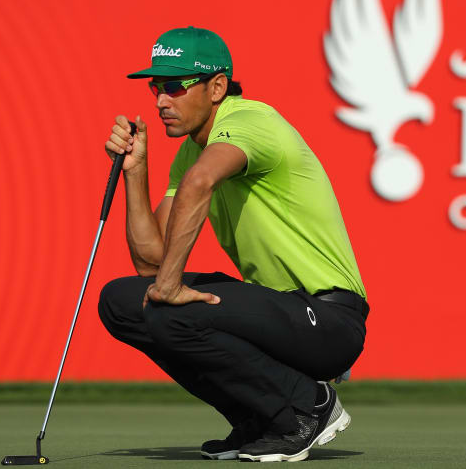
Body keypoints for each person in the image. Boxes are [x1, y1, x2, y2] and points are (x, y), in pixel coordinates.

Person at [96, 26, 368, 463]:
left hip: (330, 320)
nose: (161, 100)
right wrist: (136, 170)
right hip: (277, 316)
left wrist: (169, 287)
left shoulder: (251, 121)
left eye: (174, 86)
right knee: (121, 302)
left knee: (169, 310)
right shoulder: (192, 149)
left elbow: (200, 182)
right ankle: (259, 417)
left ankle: (307, 408)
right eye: (155, 87)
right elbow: (151, 261)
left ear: (217, 86)